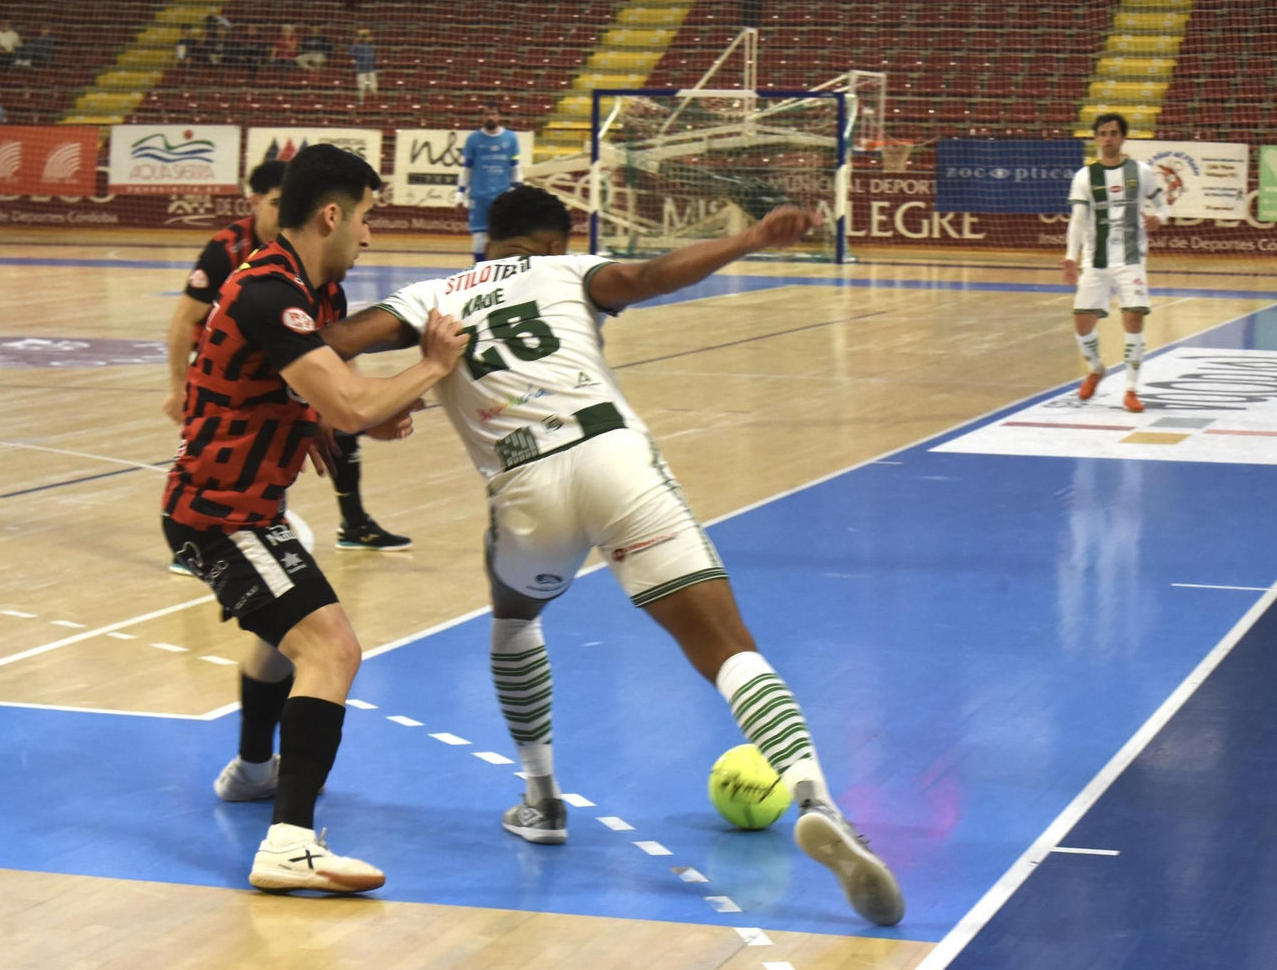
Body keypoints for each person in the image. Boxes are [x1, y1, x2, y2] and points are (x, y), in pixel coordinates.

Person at [319, 185, 906, 928]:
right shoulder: (568, 272)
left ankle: (541, 799)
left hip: (525, 487)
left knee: (513, 619)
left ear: (485, 237)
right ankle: (817, 797)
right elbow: (655, 274)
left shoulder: (429, 296)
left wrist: (373, 407)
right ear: (556, 241)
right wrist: (751, 238)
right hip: (613, 458)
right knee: (728, 648)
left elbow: (332, 345)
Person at [162, 144, 469, 894]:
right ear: (332, 213)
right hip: (218, 514)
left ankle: (252, 770)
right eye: (366, 216)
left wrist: (333, 424)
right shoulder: (269, 290)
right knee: (332, 649)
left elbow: (325, 395)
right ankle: (288, 844)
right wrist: (431, 364)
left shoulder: (314, 291)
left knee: (282, 642)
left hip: (250, 508)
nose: (369, 234)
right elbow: (353, 398)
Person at [162, 158, 413, 554]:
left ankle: (353, 520)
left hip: (278, 377)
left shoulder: (322, 282)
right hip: (224, 392)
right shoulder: (236, 258)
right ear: (256, 202)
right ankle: (210, 542)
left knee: (331, 424)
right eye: (275, 202)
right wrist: (178, 386)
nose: (367, 236)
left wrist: (345, 411)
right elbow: (182, 323)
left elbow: (344, 388)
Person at [1062, 111, 1167, 413]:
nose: (1108, 138)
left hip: (1131, 259)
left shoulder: (1141, 171)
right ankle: (1095, 368)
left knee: (1133, 317)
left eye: (1113, 133)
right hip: (1095, 261)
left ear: (1122, 138)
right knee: (1082, 325)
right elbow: (1078, 221)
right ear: (1096, 138)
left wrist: (1159, 218)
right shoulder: (1084, 177)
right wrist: (1071, 257)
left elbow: (1161, 203)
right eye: (1103, 133)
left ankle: (1131, 390)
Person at [456, 103, 521, 263]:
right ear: (481, 117)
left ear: (499, 116)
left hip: (503, 196)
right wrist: (460, 194)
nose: (490, 117)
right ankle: (479, 270)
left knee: (503, 235)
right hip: (478, 196)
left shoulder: (511, 138)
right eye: (486, 114)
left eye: (493, 113)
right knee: (479, 235)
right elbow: (467, 169)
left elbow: (515, 167)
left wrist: (517, 191)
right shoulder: (473, 139)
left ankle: (501, 270)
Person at [348, 28, 378, 103]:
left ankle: (374, 102)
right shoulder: (358, 46)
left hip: (371, 70)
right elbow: (350, 53)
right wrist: (354, 44)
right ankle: (361, 103)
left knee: (373, 87)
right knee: (362, 88)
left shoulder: (370, 46)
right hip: (361, 71)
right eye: (369, 36)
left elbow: (373, 58)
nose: (371, 38)